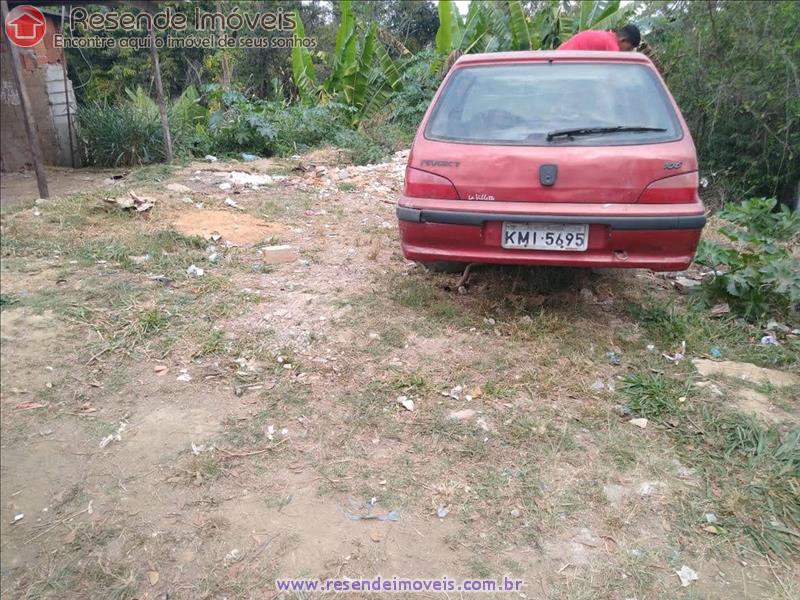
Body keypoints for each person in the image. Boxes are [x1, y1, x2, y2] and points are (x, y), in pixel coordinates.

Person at [557, 24, 641, 52]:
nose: (625, 52)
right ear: (623, 40)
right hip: (567, 63)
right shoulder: (612, 46)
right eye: (628, 48)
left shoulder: (606, 36)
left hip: (558, 56)